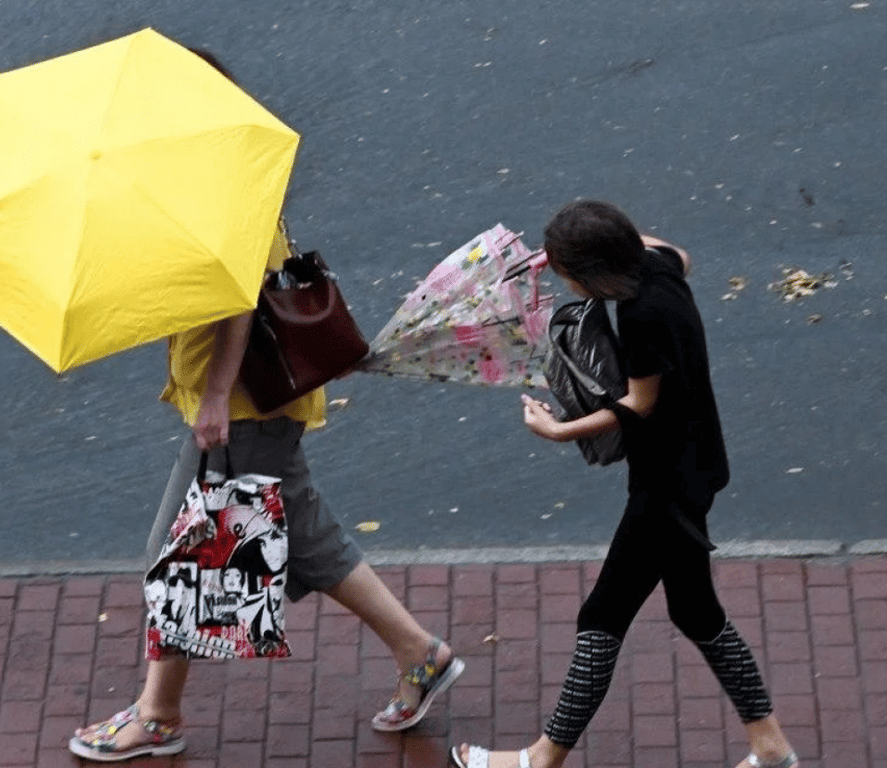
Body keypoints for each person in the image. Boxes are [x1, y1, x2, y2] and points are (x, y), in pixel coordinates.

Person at [68, 50, 463, 764]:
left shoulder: (220, 183)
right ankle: (420, 653)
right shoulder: (218, 166)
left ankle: (158, 715)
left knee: (179, 554)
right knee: (303, 537)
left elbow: (237, 298)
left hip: (246, 404)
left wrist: (216, 394)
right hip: (256, 402)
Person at [452, 200, 798, 768]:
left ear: (591, 273)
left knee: (602, 615)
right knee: (695, 612)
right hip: (697, 465)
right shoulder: (658, 264)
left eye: (564, 270)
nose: (560, 279)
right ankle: (771, 746)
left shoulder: (640, 316)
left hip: (665, 486)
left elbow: (639, 402)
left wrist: (559, 430)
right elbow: (676, 252)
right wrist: (586, 245)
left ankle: (541, 759)